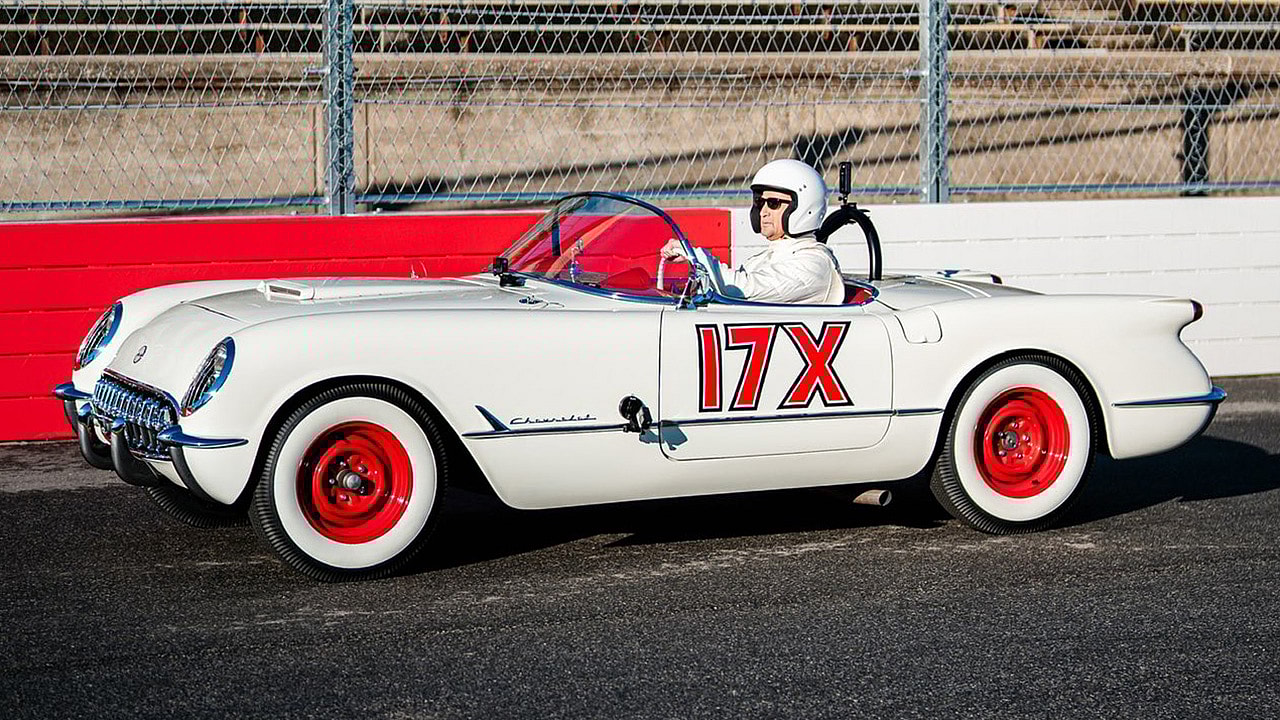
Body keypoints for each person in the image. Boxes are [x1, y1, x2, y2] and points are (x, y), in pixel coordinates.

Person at [662, 158, 844, 304]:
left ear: (804, 207)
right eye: (759, 202)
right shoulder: (763, 259)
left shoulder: (814, 265)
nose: (763, 212)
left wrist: (694, 254)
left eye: (773, 203)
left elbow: (740, 289)